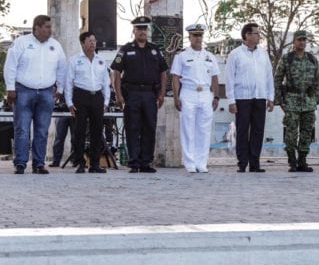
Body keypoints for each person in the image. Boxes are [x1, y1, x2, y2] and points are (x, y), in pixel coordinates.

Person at [4, 15, 67, 175]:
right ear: (36, 27)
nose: (50, 30)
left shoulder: (55, 45)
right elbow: (10, 65)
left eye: (50, 27)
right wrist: (10, 88)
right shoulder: (21, 43)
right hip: (24, 90)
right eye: (46, 27)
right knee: (22, 129)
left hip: (47, 91)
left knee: (42, 130)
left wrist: (60, 88)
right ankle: (20, 163)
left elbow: (62, 68)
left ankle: (39, 163)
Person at [111, 16, 168, 173]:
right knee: (132, 127)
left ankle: (145, 162)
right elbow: (116, 72)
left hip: (150, 94)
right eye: (139, 29)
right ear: (133, 31)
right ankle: (134, 162)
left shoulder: (155, 49)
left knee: (149, 127)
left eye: (144, 29)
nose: (142, 32)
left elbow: (163, 73)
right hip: (132, 93)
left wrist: (162, 94)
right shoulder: (126, 49)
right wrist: (119, 95)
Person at [171, 23, 221, 173]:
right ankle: (189, 162)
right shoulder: (182, 56)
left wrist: (216, 96)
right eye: (195, 35)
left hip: (206, 93)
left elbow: (214, 77)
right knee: (188, 129)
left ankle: (201, 162)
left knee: (204, 130)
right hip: (188, 92)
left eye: (200, 35)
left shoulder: (209, 56)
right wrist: (176, 96)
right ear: (190, 37)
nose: (198, 38)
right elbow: (175, 77)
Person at [225, 22, 274, 173]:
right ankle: (242, 163)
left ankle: (255, 163)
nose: (259, 36)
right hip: (242, 98)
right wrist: (231, 100)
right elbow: (229, 78)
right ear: (247, 35)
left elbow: (268, 76)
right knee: (242, 130)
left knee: (258, 131)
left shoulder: (263, 53)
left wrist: (270, 97)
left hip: (260, 97)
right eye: (256, 33)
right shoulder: (235, 54)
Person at [274, 30, 319, 172]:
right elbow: (277, 79)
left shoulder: (312, 59)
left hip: (308, 101)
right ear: (294, 42)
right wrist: (280, 100)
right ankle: (292, 161)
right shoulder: (287, 59)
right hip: (291, 100)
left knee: (307, 132)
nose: (302, 42)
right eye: (299, 40)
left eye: (304, 40)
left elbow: (317, 81)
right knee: (291, 133)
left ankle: (302, 160)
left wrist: (315, 99)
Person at [65, 31, 111, 174]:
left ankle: (95, 163)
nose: (93, 43)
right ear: (82, 43)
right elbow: (68, 82)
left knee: (97, 131)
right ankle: (80, 162)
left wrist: (106, 101)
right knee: (79, 130)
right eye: (89, 41)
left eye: (94, 41)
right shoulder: (74, 60)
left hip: (97, 96)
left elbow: (105, 82)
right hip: (81, 96)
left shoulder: (101, 60)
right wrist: (69, 102)